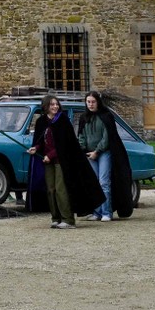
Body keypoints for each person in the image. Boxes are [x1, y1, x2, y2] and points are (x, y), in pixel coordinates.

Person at [30, 94, 104, 230]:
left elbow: (64, 144)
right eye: (52, 104)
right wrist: (36, 148)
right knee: (50, 189)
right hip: (47, 161)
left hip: (61, 161)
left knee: (60, 189)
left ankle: (68, 219)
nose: (55, 107)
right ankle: (56, 218)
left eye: (56, 104)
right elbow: (40, 140)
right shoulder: (41, 121)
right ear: (46, 106)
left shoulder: (62, 120)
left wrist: (50, 155)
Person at [79, 91, 135, 222]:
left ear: (98, 102)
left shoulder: (106, 116)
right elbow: (81, 134)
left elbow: (107, 136)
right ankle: (96, 212)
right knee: (94, 183)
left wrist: (97, 151)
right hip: (89, 153)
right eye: (88, 102)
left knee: (104, 182)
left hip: (104, 152)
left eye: (93, 102)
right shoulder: (83, 117)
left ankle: (106, 212)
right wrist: (83, 149)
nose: (91, 104)